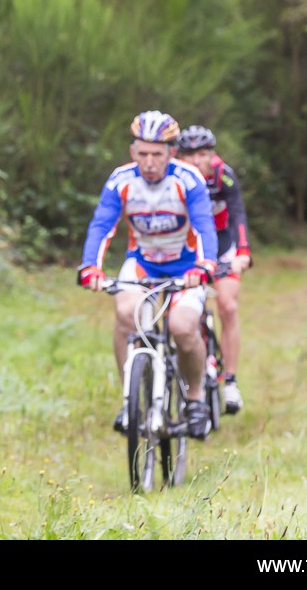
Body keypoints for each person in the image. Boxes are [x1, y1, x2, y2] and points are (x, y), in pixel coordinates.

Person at [77, 110, 218, 439]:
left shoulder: (188, 179)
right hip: (143, 263)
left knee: (182, 328)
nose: (150, 161)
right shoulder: (121, 180)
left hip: (187, 266)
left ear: (171, 152)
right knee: (126, 314)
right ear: (132, 152)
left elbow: (204, 226)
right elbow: (102, 225)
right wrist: (90, 267)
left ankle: (196, 398)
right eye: (143, 153)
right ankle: (130, 399)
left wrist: (205, 265)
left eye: (157, 154)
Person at [176, 125, 252, 414]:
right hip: (189, 248)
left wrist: (242, 252)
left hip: (222, 245)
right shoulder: (174, 179)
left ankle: (230, 381)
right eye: (190, 155)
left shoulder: (223, 176)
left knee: (228, 305)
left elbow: (238, 213)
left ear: (213, 155)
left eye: (203, 154)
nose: (197, 161)